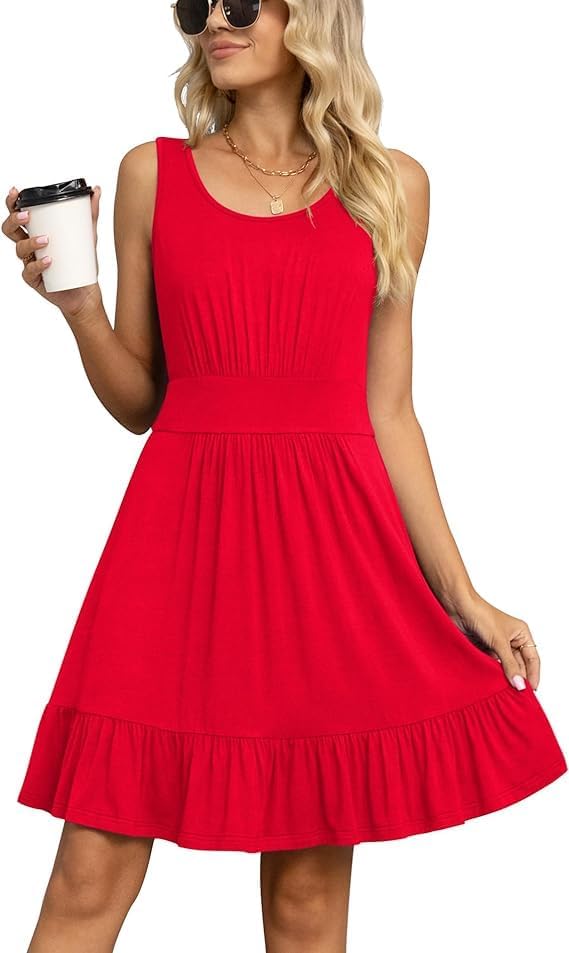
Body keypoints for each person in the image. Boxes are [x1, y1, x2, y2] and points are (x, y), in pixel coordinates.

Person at [3, 1, 567, 951]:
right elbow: (142, 401)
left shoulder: (391, 186)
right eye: (195, 6)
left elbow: (389, 411)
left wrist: (463, 594)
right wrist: (80, 306)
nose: (211, 24)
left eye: (240, 3)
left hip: (330, 558)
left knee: (306, 899)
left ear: (310, 15)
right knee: (86, 874)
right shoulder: (152, 173)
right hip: (175, 546)